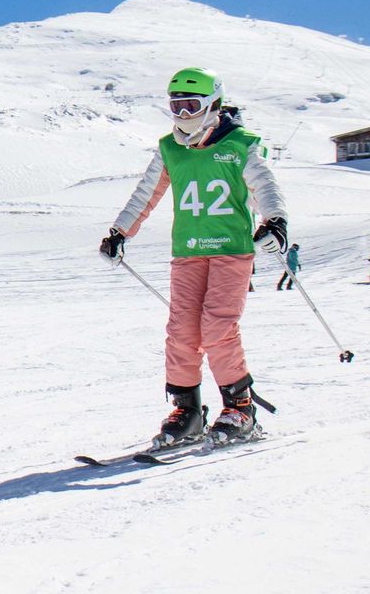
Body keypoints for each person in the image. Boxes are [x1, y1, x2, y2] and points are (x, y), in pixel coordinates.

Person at [100, 67, 287, 448]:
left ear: (213, 104)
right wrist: (120, 232)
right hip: (187, 253)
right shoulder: (170, 148)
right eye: (176, 105)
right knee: (182, 333)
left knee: (217, 329)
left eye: (191, 105)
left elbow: (264, 185)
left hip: (231, 252)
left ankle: (241, 408)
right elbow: (145, 193)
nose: (183, 114)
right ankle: (187, 412)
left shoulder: (239, 143)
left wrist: (276, 222)